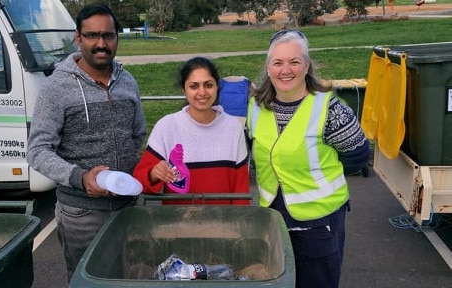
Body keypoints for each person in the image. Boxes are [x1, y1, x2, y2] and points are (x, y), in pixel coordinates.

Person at [26, 3, 146, 283]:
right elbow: (37, 150)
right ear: (78, 38)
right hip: (81, 214)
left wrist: (132, 172)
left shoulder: (128, 81)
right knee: (87, 281)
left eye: (108, 35)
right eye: (92, 36)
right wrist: (81, 178)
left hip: (128, 207)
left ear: (117, 37)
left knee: (131, 277)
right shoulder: (56, 87)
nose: (101, 43)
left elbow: (137, 133)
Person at [246, 30, 370, 288]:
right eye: (277, 63)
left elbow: (358, 155)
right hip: (275, 220)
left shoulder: (329, 109)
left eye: (294, 62)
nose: (285, 70)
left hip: (319, 225)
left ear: (307, 66)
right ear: (268, 69)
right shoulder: (256, 107)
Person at [133, 57, 250, 205]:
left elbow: (241, 190)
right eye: (194, 86)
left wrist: (237, 225)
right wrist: (153, 174)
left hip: (222, 223)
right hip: (178, 223)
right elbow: (140, 180)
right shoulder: (167, 127)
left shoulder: (233, 127)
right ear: (184, 89)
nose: (202, 92)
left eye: (208, 85)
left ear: (217, 87)